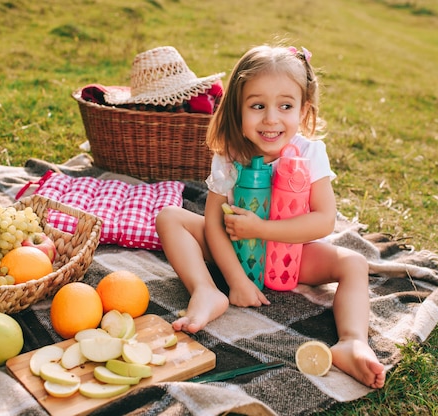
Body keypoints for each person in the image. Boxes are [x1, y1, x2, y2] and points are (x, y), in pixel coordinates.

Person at [155, 44, 386, 389]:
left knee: (353, 264)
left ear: (303, 110)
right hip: (232, 249)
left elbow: (324, 220)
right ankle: (205, 290)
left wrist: (263, 228)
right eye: (258, 106)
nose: (271, 119)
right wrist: (235, 280)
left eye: (286, 106)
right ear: (238, 109)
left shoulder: (310, 153)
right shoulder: (230, 154)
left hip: (291, 257)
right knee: (170, 216)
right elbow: (215, 225)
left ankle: (351, 341)